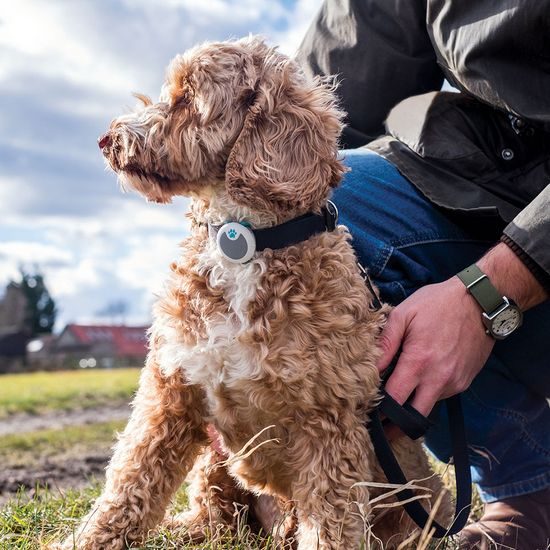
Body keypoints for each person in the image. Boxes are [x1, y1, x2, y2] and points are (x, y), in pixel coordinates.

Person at [297, 1, 550, 548]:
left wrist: (487, 296)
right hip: (494, 182)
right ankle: (527, 481)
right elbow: (317, 125)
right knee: (310, 222)